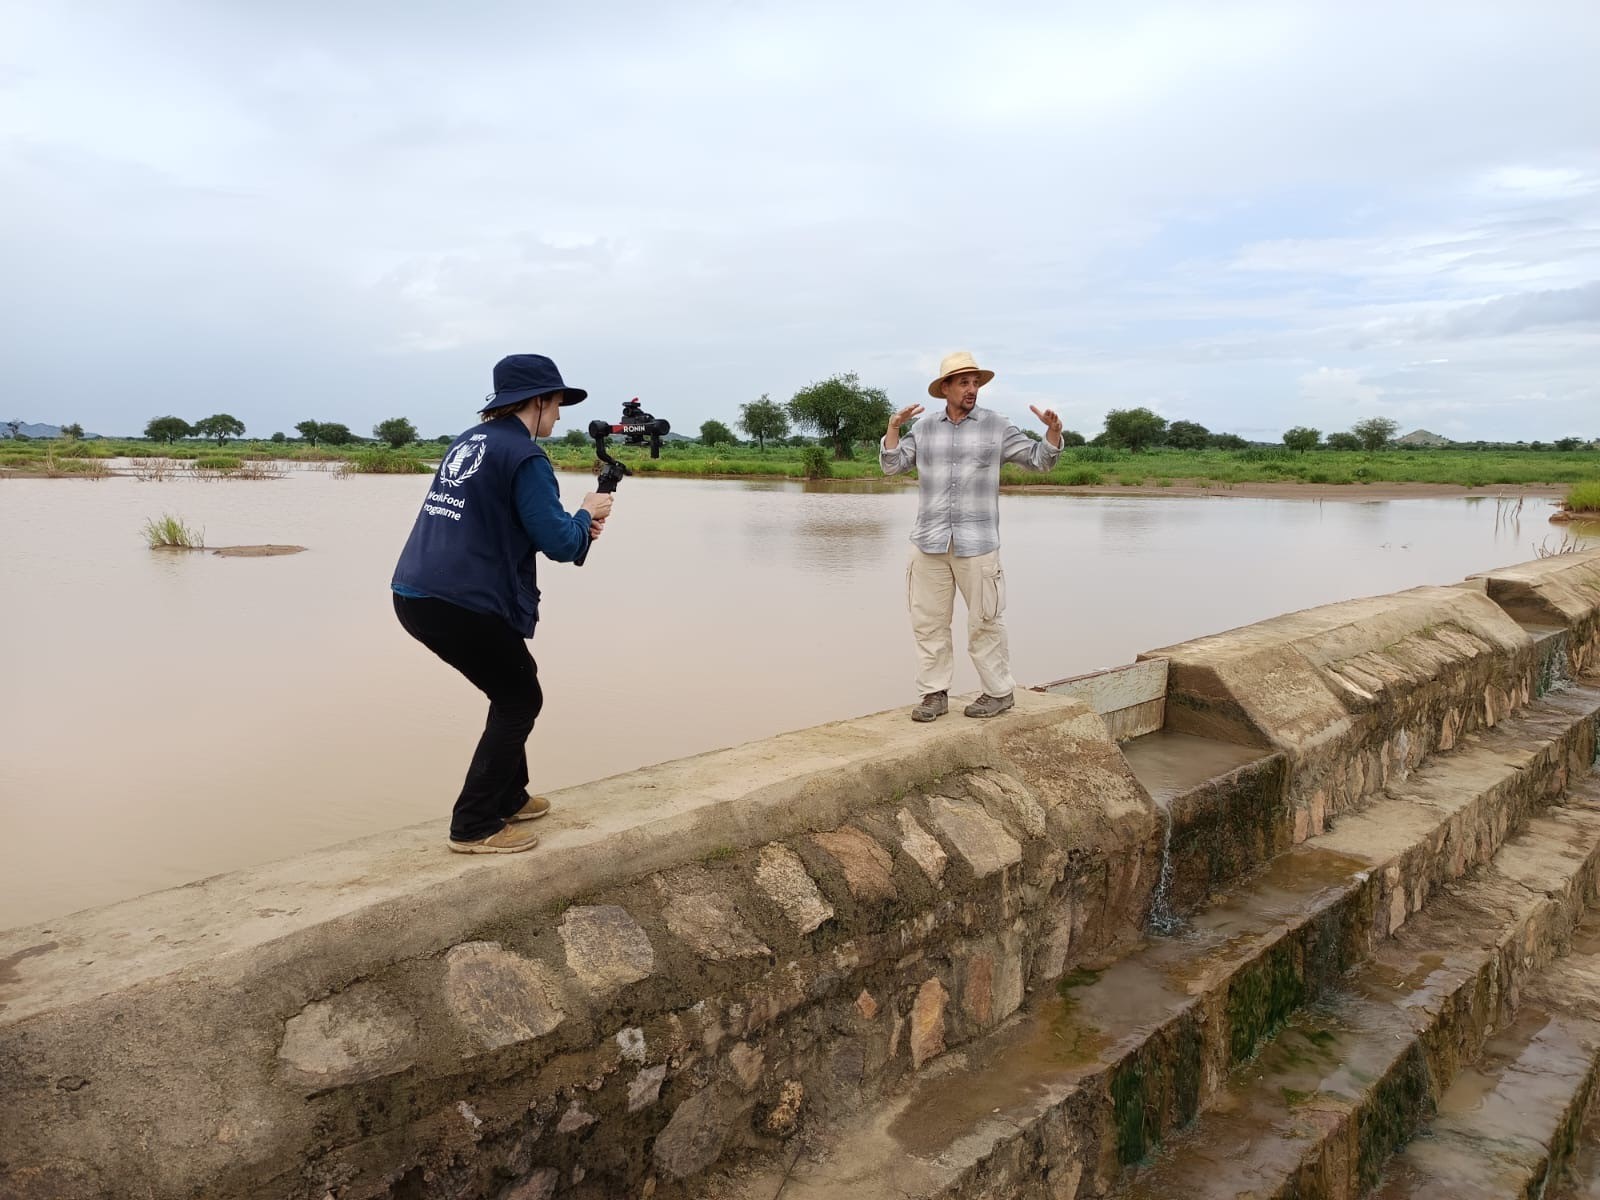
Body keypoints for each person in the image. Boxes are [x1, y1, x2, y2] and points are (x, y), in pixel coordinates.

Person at [391, 353, 613, 853]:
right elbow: (559, 543)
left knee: (513, 684)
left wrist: (574, 526)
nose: (558, 415)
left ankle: (510, 794)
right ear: (536, 402)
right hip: (459, 600)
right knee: (519, 697)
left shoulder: (469, 441)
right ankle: (473, 825)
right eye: (556, 404)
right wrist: (585, 513)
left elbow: (506, 519)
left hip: (417, 592)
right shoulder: (526, 457)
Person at [880, 350, 1063, 722]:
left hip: (977, 544)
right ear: (944, 387)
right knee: (928, 622)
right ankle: (934, 694)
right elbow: (893, 466)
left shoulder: (996, 426)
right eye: (963, 382)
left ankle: (998, 693)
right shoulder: (925, 428)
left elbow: (1038, 459)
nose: (972, 389)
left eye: (975, 382)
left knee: (986, 621)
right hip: (928, 542)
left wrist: (1053, 434)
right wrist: (894, 428)